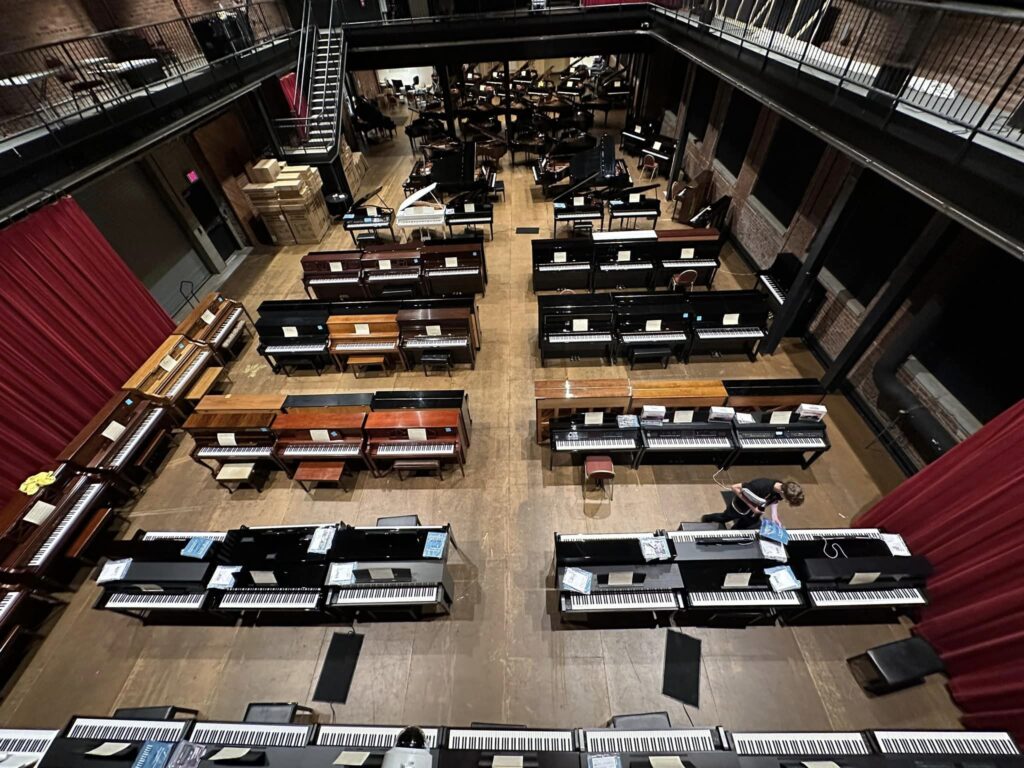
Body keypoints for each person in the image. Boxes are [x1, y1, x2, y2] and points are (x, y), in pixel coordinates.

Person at [701, 478, 805, 529]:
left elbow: (776, 500)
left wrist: (774, 515)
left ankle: (730, 535)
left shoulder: (782, 488)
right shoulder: (760, 485)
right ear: (783, 492)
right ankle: (706, 518)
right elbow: (734, 487)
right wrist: (752, 507)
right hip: (740, 507)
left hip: (755, 511)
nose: (785, 501)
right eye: (786, 499)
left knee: (741, 526)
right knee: (723, 518)